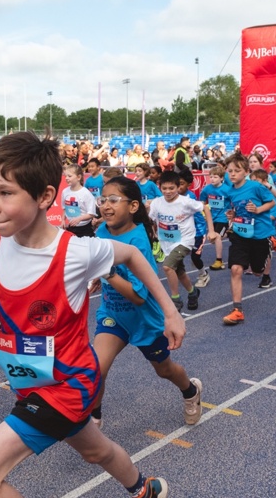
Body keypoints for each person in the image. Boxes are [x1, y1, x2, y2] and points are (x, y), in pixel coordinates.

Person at [0, 131, 173, 498]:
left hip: (68, 385)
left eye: (5, 193)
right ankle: (145, 491)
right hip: (29, 382)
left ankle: (143, 490)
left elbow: (132, 256)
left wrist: (170, 312)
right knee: (98, 451)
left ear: (44, 197)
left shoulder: (74, 252)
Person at [91, 176, 203, 427]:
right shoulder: (101, 230)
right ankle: (94, 420)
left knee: (164, 370)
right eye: (103, 200)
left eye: (113, 200)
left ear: (132, 207)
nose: (106, 206)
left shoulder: (138, 241)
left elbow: (139, 296)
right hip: (113, 314)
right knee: (96, 369)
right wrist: (99, 277)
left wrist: (107, 272)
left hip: (146, 321)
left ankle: (190, 391)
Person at [149, 170, 217, 312]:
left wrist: (211, 230)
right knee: (179, 272)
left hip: (185, 241)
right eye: (164, 188)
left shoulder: (185, 202)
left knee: (167, 267)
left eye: (171, 188)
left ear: (178, 187)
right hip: (166, 243)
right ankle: (193, 293)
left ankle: (175, 299)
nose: (168, 192)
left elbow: (205, 207)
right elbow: (153, 220)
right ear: (159, 187)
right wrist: (154, 232)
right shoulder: (156, 203)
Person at [221, 156, 276, 325]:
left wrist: (258, 209)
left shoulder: (255, 187)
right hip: (240, 234)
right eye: (230, 171)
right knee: (236, 269)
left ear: (246, 172)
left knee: (258, 271)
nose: (232, 174)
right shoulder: (228, 190)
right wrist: (232, 214)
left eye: (237, 171)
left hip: (259, 233)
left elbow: (271, 202)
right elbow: (232, 209)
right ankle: (237, 309)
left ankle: (271, 243)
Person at [179, 167, 211, 288]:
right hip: (184, 232)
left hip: (198, 231)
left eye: (181, 184)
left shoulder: (190, 197)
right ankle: (181, 274)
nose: (178, 187)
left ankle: (204, 274)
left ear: (189, 184)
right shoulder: (176, 196)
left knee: (195, 257)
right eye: (177, 184)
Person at [199, 166, 232, 271]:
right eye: (211, 177)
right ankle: (230, 233)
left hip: (223, 218)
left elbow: (235, 201)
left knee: (217, 237)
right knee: (213, 240)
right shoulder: (207, 189)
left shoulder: (227, 190)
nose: (212, 179)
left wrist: (232, 215)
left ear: (222, 178)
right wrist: (202, 211)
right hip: (212, 219)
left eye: (215, 177)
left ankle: (219, 261)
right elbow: (202, 202)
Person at [61, 164, 97, 238]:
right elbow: (64, 208)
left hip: (85, 229)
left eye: (69, 176)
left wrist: (79, 219)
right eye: (65, 176)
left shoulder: (86, 194)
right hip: (71, 227)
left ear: (79, 177)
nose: (66, 178)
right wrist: (63, 221)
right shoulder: (65, 192)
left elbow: (91, 214)